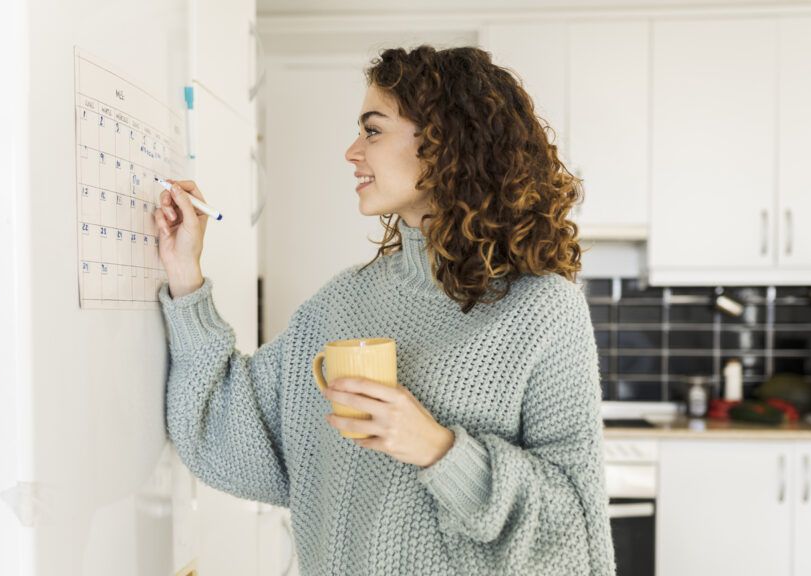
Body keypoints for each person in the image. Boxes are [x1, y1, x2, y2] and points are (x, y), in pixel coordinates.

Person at [154, 45, 615, 576]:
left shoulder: (543, 310)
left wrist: (440, 450)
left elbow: (575, 536)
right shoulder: (341, 303)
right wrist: (186, 276)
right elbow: (223, 431)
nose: (352, 151)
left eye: (373, 130)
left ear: (448, 143)